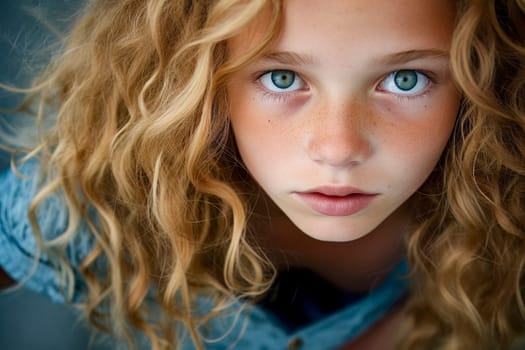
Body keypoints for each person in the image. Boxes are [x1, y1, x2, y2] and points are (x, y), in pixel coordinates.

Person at [1, 0, 525, 349]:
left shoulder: (509, 217)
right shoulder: (101, 202)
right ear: (202, 78)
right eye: (282, 76)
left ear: (482, 81)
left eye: (405, 80)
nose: (338, 149)